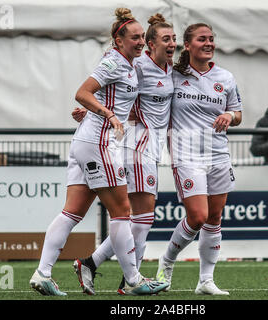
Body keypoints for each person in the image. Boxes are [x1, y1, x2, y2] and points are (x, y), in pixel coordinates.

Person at [29, 8, 168, 296]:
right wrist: (107, 114)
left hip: (88, 141)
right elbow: (83, 92)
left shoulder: (128, 63)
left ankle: (43, 273)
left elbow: (100, 97)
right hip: (99, 143)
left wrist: (96, 112)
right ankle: (133, 280)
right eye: (135, 38)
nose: (141, 42)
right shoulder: (115, 62)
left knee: (72, 212)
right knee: (122, 212)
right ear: (118, 40)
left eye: (143, 37)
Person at [72, 13, 176, 295]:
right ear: (151, 44)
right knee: (140, 218)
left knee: (135, 218)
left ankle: (92, 263)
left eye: (174, 39)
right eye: (165, 39)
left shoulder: (170, 69)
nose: (172, 44)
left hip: (151, 147)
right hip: (136, 143)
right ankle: (132, 282)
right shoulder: (138, 64)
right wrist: (92, 112)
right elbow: (112, 88)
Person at [155, 23, 242, 296]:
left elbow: (238, 114)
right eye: (202, 39)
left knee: (214, 217)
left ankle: (206, 281)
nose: (208, 43)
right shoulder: (173, 75)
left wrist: (230, 116)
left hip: (218, 154)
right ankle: (166, 262)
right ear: (188, 45)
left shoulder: (225, 77)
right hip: (186, 155)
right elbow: (144, 96)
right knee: (198, 215)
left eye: (211, 39)